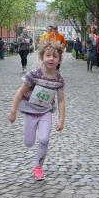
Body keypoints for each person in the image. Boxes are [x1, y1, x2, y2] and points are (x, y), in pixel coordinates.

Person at [8, 40, 66, 181]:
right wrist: (13, 111)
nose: (51, 59)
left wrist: (61, 119)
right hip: (30, 111)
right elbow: (20, 92)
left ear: (59, 60)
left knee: (44, 139)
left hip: (46, 112)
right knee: (28, 142)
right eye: (48, 55)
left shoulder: (59, 79)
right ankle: (30, 139)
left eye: (55, 56)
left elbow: (61, 100)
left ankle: (38, 167)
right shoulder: (34, 74)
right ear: (42, 57)